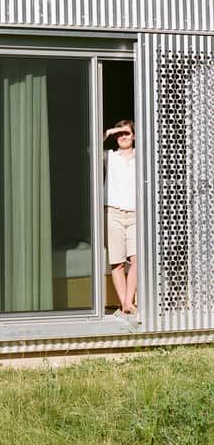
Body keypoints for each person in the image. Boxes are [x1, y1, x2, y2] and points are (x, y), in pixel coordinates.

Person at [103, 120, 137, 314]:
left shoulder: (142, 157)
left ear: (134, 136)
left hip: (135, 213)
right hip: (114, 211)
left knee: (137, 259)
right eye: (120, 134)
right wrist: (110, 131)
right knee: (117, 262)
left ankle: (127, 301)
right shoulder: (110, 156)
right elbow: (88, 149)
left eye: (127, 133)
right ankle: (126, 304)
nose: (123, 137)